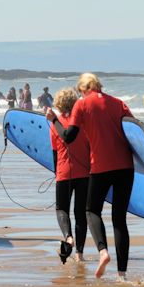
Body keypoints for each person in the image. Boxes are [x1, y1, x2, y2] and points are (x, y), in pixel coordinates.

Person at [47, 73, 135, 281]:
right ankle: (121, 274)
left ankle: (103, 251)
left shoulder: (82, 105)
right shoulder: (119, 103)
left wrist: (53, 120)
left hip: (101, 166)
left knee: (91, 210)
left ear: (83, 89)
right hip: (126, 167)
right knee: (119, 219)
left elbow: (68, 136)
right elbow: (134, 132)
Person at [49, 88, 89, 264]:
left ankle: (68, 237)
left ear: (58, 104)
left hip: (64, 172)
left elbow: (55, 153)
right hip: (84, 173)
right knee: (81, 213)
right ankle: (79, 254)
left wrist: (56, 171)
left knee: (61, 209)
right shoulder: (83, 123)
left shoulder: (54, 125)